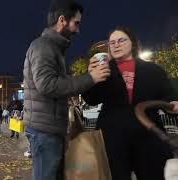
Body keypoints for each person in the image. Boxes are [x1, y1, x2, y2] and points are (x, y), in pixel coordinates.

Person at [22, 1, 110, 179]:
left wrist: (88, 74)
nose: (78, 29)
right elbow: (47, 85)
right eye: (76, 23)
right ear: (62, 20)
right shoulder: (43, 46)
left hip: (49, 128)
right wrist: (90, 77)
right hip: (45, 131)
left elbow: (57, 83)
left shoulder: (53, 47)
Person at [83, 27, 178, 180]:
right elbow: (91, 99)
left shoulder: (153, 70)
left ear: (133, 44)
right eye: (112, 42)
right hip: (113, 138)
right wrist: (91, 78)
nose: (115, 45)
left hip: (148, 135)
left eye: (121, 40)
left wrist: (173, 103)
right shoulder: (104, 70)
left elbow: (168, 95)